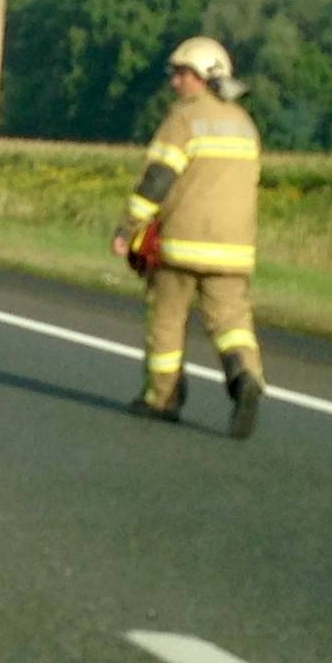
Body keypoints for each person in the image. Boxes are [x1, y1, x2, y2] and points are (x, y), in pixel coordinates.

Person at [111, 36, 265, 439]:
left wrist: (128, 227)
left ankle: (162, 399)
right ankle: (245, 378)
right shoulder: (245, 124)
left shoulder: (183, 120)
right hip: (234, 249)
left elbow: (158, 179)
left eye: (180, 74)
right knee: (232, 322)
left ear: (200, 78)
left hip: (181, 245)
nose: (174, 82)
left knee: (166, 318)